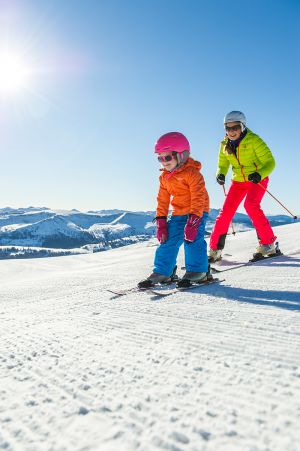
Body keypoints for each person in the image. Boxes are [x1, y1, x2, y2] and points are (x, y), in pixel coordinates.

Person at [138, 131, 210, 289]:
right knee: (168, 241)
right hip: (178, 213)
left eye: (168, 157)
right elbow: (162, 200)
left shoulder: (193, 174)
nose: (163, 162)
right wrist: (161, 222)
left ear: (182, 155)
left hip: (196, 212)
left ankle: (198, 271)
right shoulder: (164, 178)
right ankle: (164, 272)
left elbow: (199, 198)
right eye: (160, 158)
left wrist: (194, 221)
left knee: (192, 240)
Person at [208, 110, 278, 262]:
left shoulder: (254, 140)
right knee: (225, 212)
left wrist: (260, 174)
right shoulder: (224, 144)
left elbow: (270, 162)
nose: (232, 132)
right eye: (228, 128)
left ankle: (268, 244)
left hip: (256, 178)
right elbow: (222, 163)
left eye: (235, 127)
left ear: (243, 126)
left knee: (251, 205)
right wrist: (220, 173)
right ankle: (215, 250)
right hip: (238, 180)